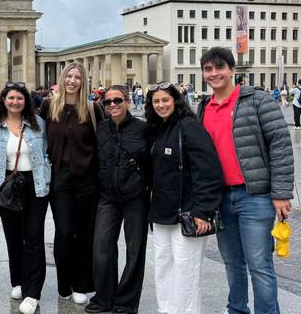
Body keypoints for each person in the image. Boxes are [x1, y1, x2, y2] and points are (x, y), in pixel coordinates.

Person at [197, 47, 293, 314]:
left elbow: (280, 145)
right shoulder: (204, 107)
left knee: (259, 264)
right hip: (221, 198)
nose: (214, 73)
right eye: (208, 69)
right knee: (232, 263)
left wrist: (281, 193)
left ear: (232, 70)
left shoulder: (257, 100)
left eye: (219, 68)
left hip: (255, 196)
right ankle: (237, 309)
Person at [144, 82, 222, 314]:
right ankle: (166, 309)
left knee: (185, 269)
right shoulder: (157, 128)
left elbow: (208, 170)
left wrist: (204, 211)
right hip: (161, 211)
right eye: (156, 101)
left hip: (187, 211)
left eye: (165, 100)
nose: (161, 105)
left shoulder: (190, 127)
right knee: (163, 264)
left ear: (176, 101)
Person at [39, 63, 103, 306]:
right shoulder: (49, 107)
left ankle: (81, 283)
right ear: (63, 78)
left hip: (87, 180)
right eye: (69, 76)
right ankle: (64, 283)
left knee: (85, 234)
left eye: (77, 77)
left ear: (83, 81)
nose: (73, 81)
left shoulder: (92, 109)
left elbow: (100, 144)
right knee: (64, 232)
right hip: (60, 179)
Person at [85, 85, 150, 314]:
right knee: (101, 248)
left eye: (118, 100)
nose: (113, 105)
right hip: (108, 197)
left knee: (135, 251)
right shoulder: (102, 128)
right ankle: (104, 298)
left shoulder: (143, 129)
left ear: (128, 102)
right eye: (108, 101)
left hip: (135, 197)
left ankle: (126, 301)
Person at [0, 82, 50, 314]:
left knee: (33, 236)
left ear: (26, 102)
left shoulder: (38, 124)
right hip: (7, 184)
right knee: (13, 236)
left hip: (35, 184)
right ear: (3, 100)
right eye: (11, 98)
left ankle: (33, 292)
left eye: (20, 98)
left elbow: (46, 151)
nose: (15, 102)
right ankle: (19, 280)